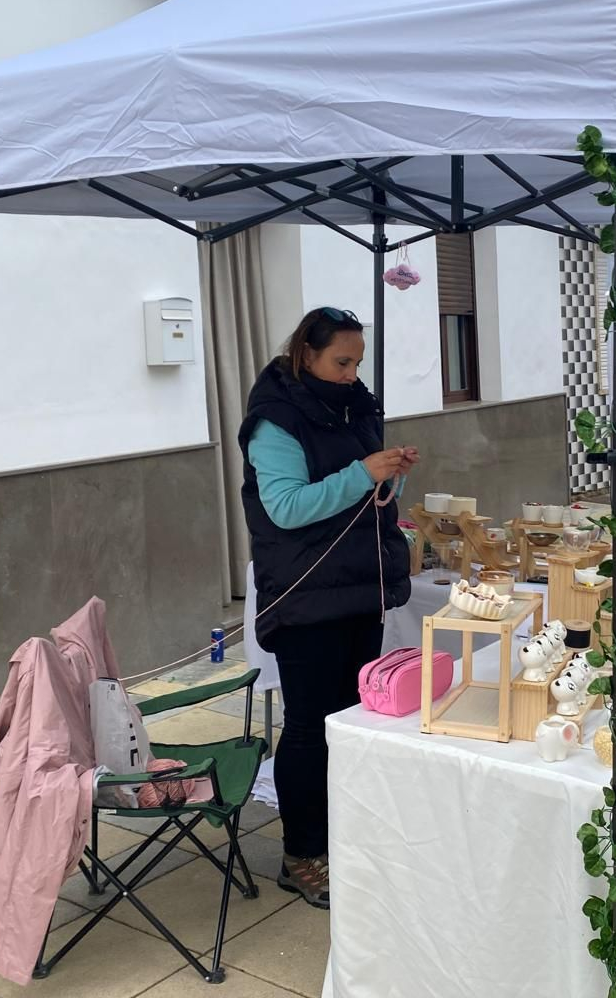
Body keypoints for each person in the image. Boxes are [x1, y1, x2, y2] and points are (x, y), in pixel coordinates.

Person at [238, 306, 416, 908]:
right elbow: (287, 508)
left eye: (357, 362)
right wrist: (362, 471)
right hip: (306, 598)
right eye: (341, 361)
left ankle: (343, 833)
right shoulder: (276, 422)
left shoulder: (354, 404)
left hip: (360, 591)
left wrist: (390, 475)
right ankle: (301, 853)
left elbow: (367, 495)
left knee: (353, 721)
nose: (350, 373)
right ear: (305, 354)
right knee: (311, 730)